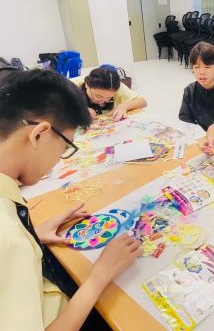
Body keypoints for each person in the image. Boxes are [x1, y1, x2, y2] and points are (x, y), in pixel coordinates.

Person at [0, 69, 143, 331]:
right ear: (39, 135)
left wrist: (32, 235)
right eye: (65, 146)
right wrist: (99, 276)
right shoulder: (8, 239)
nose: (59, 160)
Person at [71, 67, 147, 121]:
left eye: (109, 97)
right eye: (98, 96)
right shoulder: (70, 85)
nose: (102, 101)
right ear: (87, 85)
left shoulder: (113, 85)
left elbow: (142, 102)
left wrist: (124, 106)